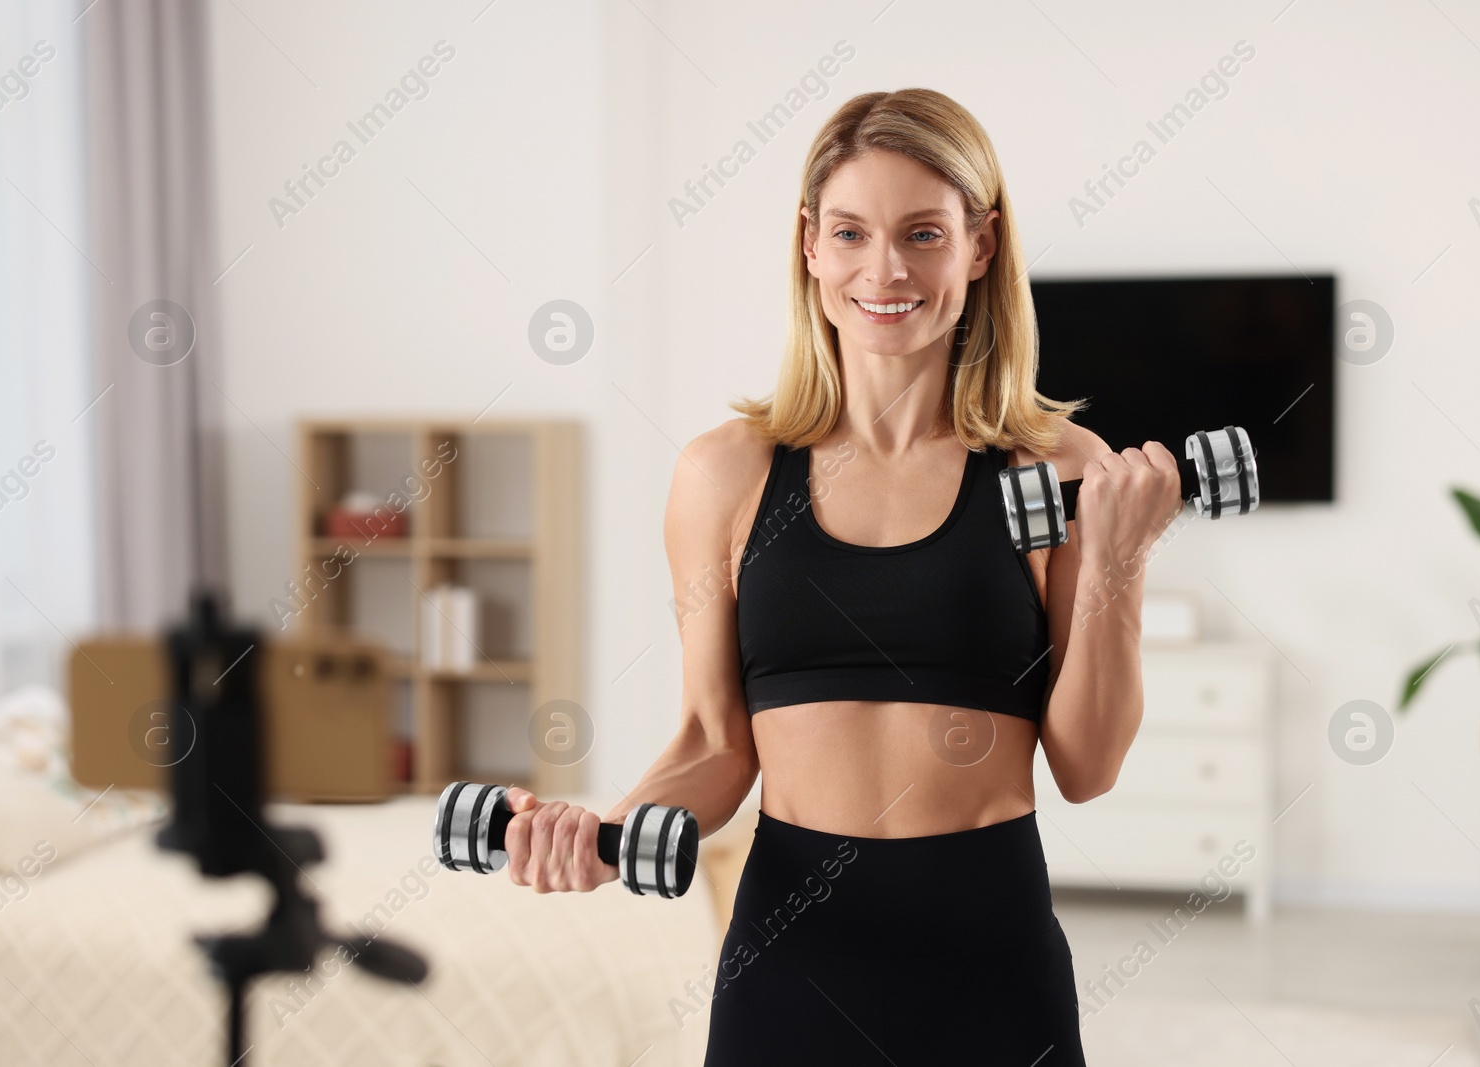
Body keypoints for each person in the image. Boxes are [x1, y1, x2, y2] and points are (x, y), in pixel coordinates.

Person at [499, 88, 1182, 1065]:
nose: (885, 269)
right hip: (790, 953)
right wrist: (606, 834)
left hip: (990, 957)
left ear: (981, 245)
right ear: (809, 243)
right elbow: (712, 744)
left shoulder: (1058, 470)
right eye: (853, 232)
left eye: (922, 234)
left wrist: (1116, 563)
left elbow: (1087, 765)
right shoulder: (723, 474)